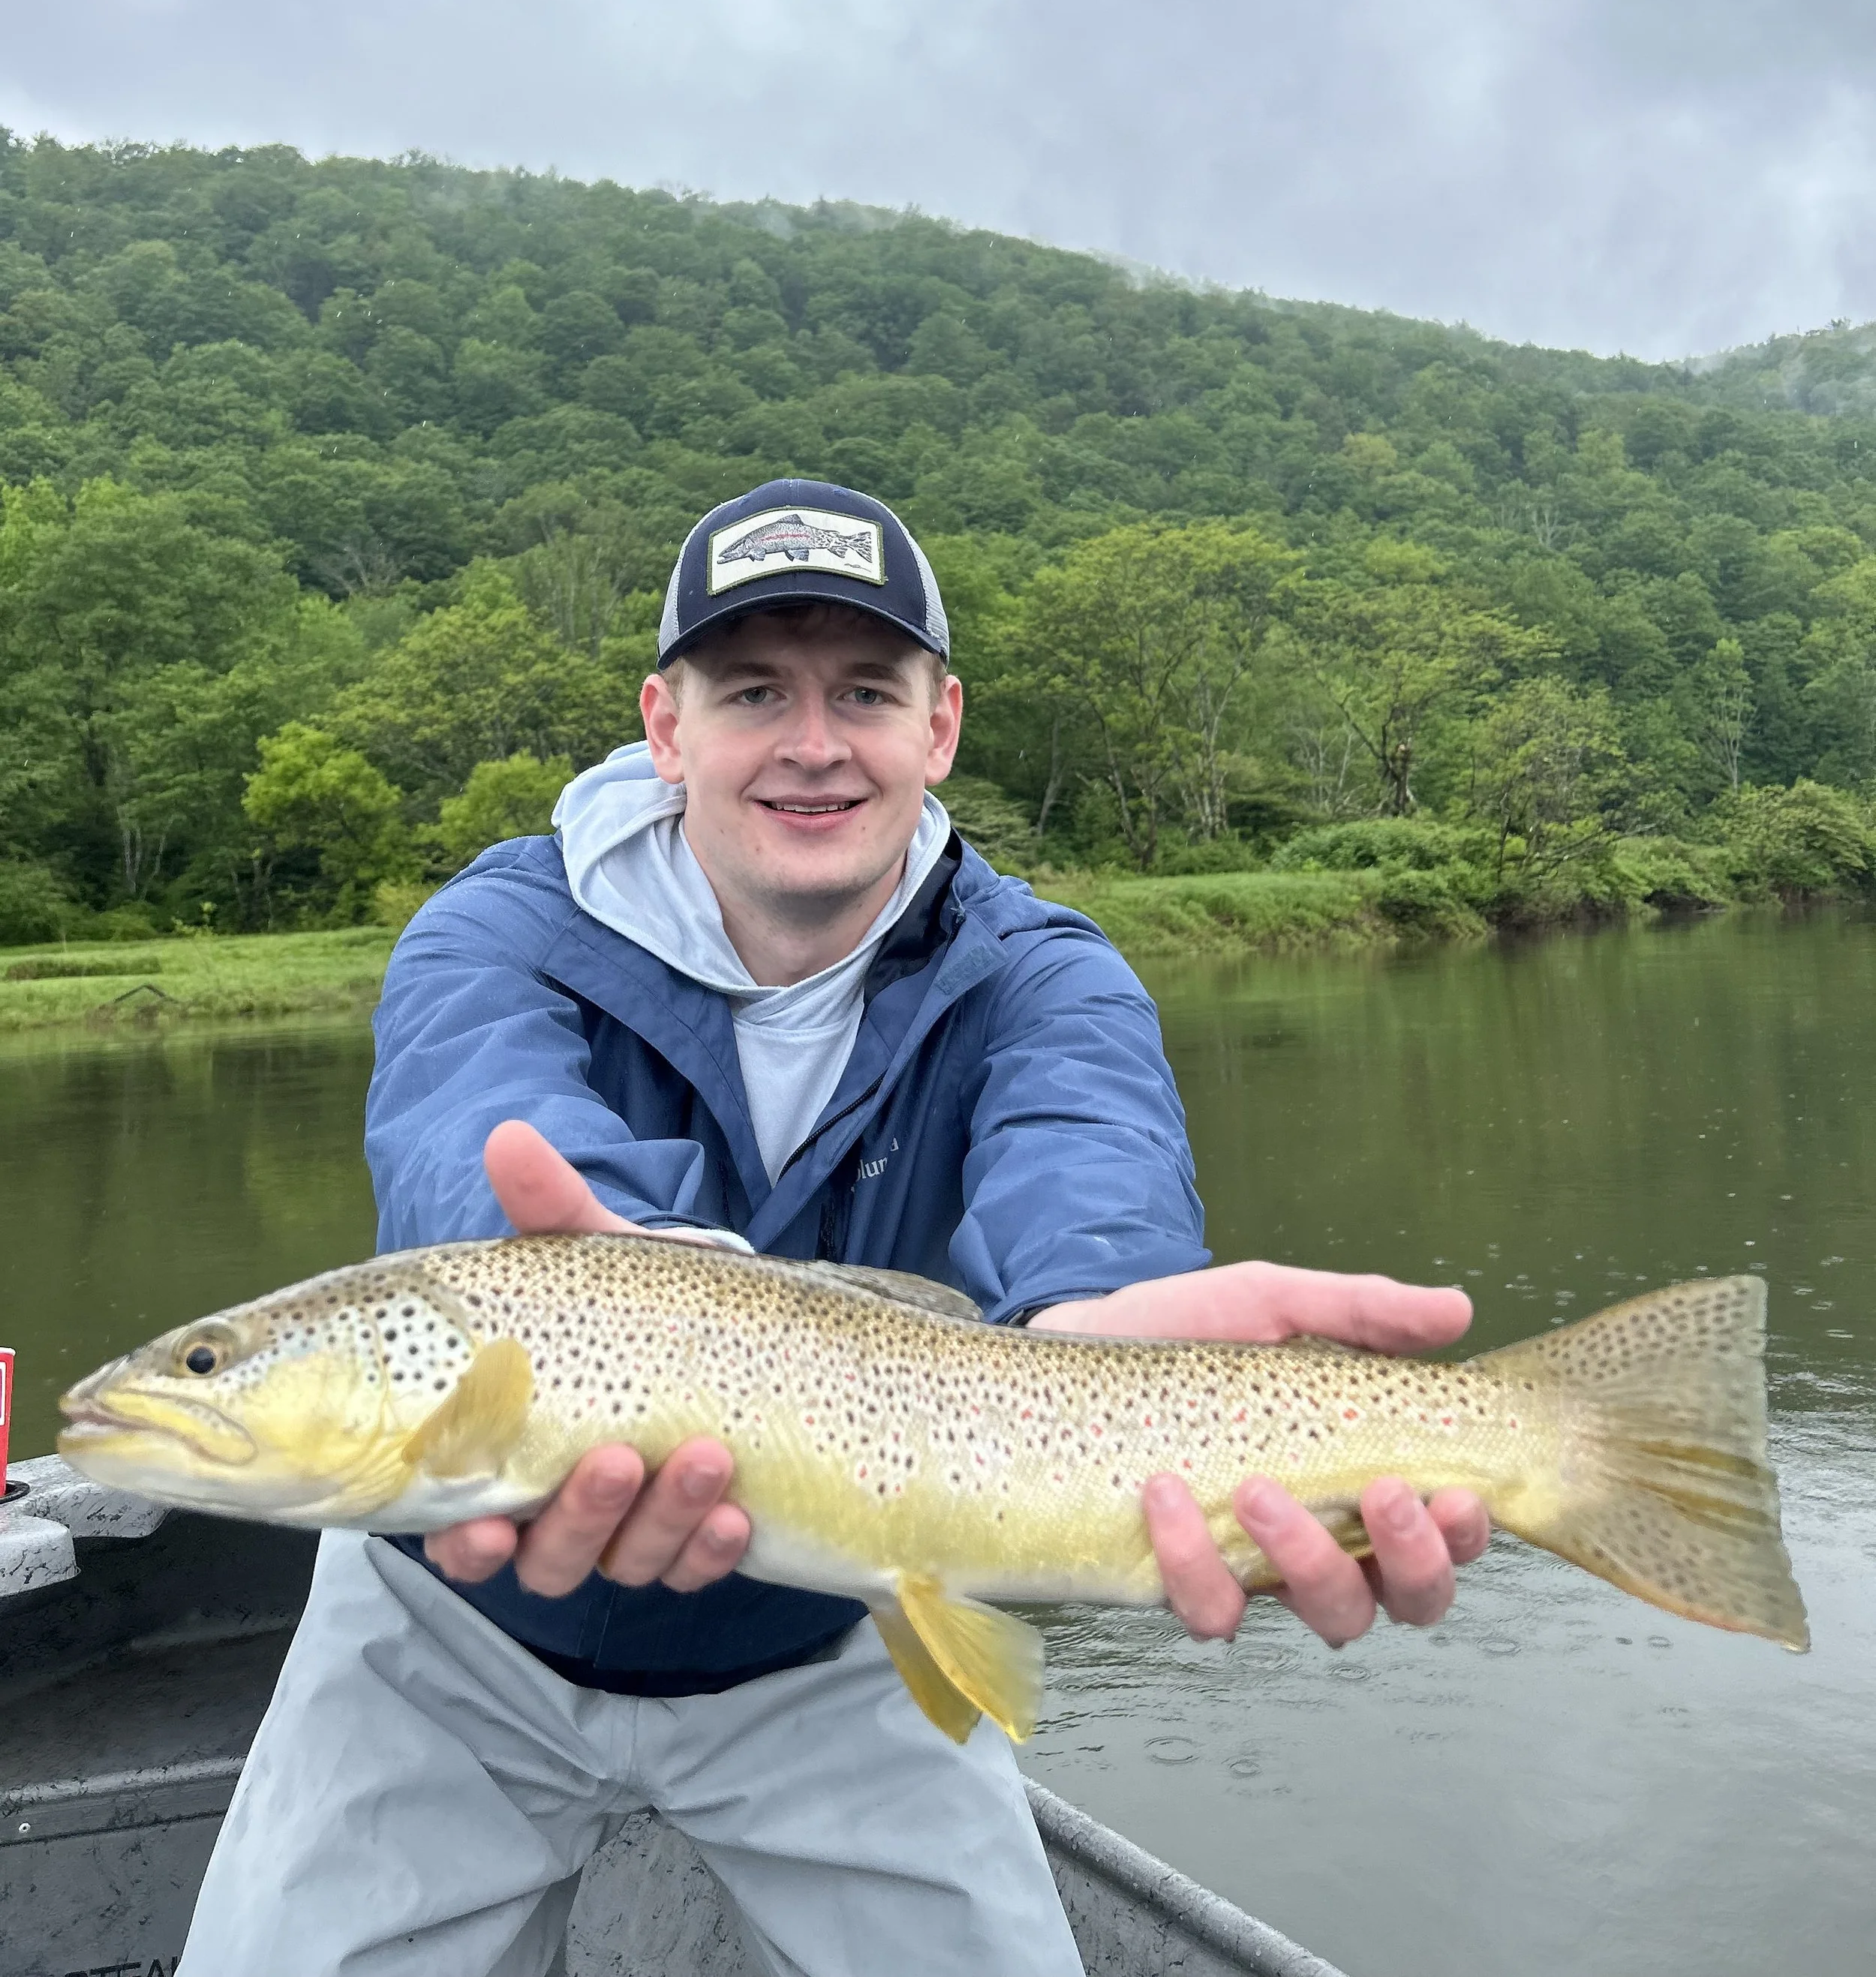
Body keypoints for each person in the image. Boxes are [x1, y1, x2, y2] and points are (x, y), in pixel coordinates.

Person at [179, 477, 1488, 1977]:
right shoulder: (489, 930)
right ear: (666, 729)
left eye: (863, 690)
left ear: (936, 728)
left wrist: (1096, 1318)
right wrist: (631, 1291)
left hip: (837, 1635)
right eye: (753, 692)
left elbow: (1088, 1170)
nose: (811, 742)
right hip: (444, 1636)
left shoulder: (1042, 975)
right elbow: (461, 1153)